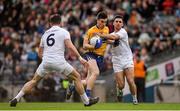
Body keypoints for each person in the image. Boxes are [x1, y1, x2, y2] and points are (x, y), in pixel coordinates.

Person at [9, 14, 99, 107]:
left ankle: (16, 98)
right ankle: (86, 101)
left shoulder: (45, 34)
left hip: (46, 62)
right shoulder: (63, 32)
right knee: (77, 77)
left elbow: (39, 53)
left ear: (50, 23)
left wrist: (47, 62)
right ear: (60, 22)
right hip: (59, 61)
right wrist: (80, 57)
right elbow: (70, 46)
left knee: (34, 80)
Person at [95, 15, 138, 104]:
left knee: (130, 80)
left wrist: (101, 35)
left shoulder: (123, 32)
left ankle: (134, 98)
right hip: (117, 60)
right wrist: (100, 40)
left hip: (127, 59)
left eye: (120, 22)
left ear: (122, 24)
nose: (118, 23)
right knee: (121, 85)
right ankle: (120, 90)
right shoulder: (110, 34)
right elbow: (111, 40)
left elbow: (113, 38)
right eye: (116, 21)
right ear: (113, 23)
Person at [66, 11, 109, 99]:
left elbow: (106, 40)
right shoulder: (90, 31)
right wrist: (94, 46)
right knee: (96, 73)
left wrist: (113, 41)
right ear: (97, 20)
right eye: (102, 21)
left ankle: (72, 86)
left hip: (100, 57)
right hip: (91, 54)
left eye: (105, 22)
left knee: (87, 80)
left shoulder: (106, 29)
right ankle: (88, 96)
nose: (103, 24)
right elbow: (84, 45)